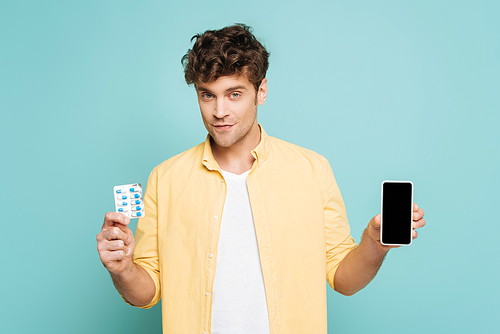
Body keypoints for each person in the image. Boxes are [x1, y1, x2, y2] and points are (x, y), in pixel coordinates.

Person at [96, 24, 426, 334]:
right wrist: (123, 269)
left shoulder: (312, 169)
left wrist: (374, 243)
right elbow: (145, 293)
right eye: (207, 95)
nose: (219, 111)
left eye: (234, 94)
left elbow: (343, 279)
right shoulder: (165, 179)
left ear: (261, 91)